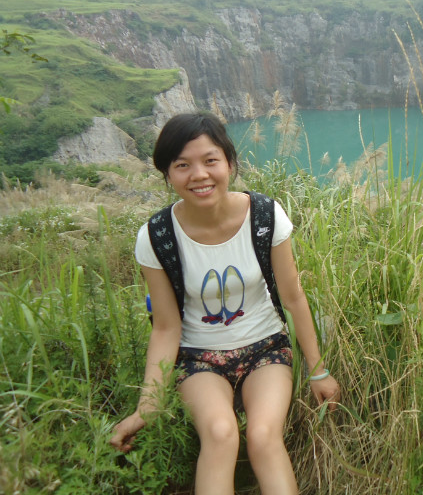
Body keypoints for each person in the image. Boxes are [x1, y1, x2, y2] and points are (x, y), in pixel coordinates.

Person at [110, 112, 340, 494]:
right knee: (220, 434)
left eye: (210, 160)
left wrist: (317, 371)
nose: (199, 175)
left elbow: (293, 296)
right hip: (198, 357)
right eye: (182, 165)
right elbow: (166, 327)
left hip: (265, 347)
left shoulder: (264, 216)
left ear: (230, 164)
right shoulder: (156, 236)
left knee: (264, 436)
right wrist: (147, 405)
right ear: (167, 174)